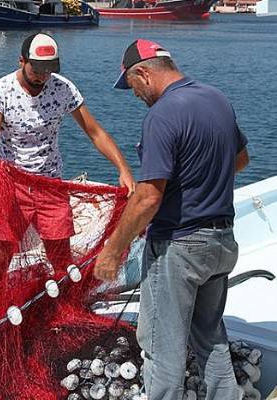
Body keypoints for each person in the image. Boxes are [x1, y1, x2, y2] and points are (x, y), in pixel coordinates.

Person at [94, 39, 249, 399]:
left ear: (144, 74)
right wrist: (200, 183)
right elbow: (240, 161)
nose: (133, 95)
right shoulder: (216, 99)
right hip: (222, 241)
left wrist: (113, 252)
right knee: (211, 339)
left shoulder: (162, 115)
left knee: (162, 350)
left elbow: (148, 196)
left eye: (130, 85)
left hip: (180, 247)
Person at [0, 33, 135, 299]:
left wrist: (124, 169)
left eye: (49, 69)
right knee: (0, 257)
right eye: (37, 69)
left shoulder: (63, 89)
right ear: (21, 61)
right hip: (12, 185)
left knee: (60, 256)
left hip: (50, 184)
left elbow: (95, 132)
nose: (43, 76)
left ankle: (65, 304)